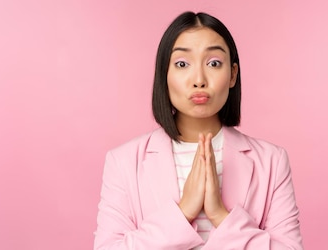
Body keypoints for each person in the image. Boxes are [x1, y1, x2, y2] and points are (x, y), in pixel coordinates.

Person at [94, 11, 303, 250]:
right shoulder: (122, 161)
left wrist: (220, 215)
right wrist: (183, 213)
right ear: (165, 74)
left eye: (214, 63)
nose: (199, 80)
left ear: (233, 74)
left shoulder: (272, 161)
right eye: (182, 64)